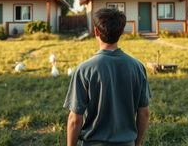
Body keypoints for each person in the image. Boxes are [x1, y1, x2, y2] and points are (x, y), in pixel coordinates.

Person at [63, 8, 151, 146]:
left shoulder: (83, 70)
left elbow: (75, 119)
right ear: (121, 32)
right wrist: (137, 143)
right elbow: (144, 113)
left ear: (96, 32)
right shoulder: (138, 67)